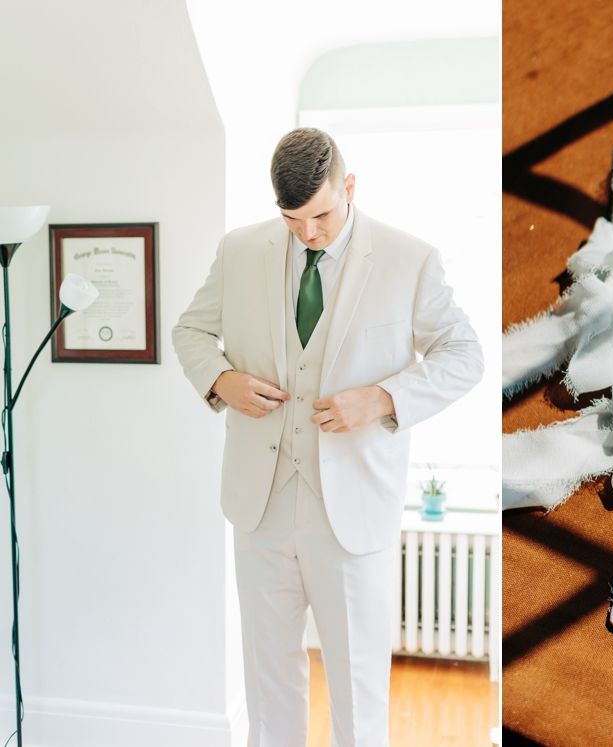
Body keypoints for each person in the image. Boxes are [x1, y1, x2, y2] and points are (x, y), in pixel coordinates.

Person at [172, 127, 484, 747]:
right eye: (292, 220)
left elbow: (465, 354)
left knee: (358, 684)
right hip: (258, 506)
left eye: (320, 214)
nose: (308, 233)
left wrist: (384, 397)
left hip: (353, 509)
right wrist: (222, 380)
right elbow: (189, 332)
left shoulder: (407, 258)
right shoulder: (240, 251)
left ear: (349, 186)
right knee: (268, 682)